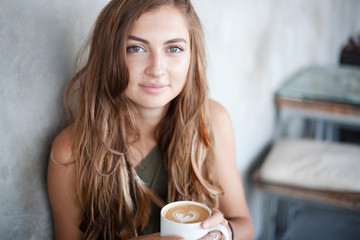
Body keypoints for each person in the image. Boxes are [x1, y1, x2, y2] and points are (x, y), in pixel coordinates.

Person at [47, 0, 254, 239]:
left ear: (192, 56)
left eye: (174, 48)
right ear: (108, 56)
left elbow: (245, 225)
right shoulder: (71, 151)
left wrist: (223, 233)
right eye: (136, 48)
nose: (156, 69)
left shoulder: (213, 121)